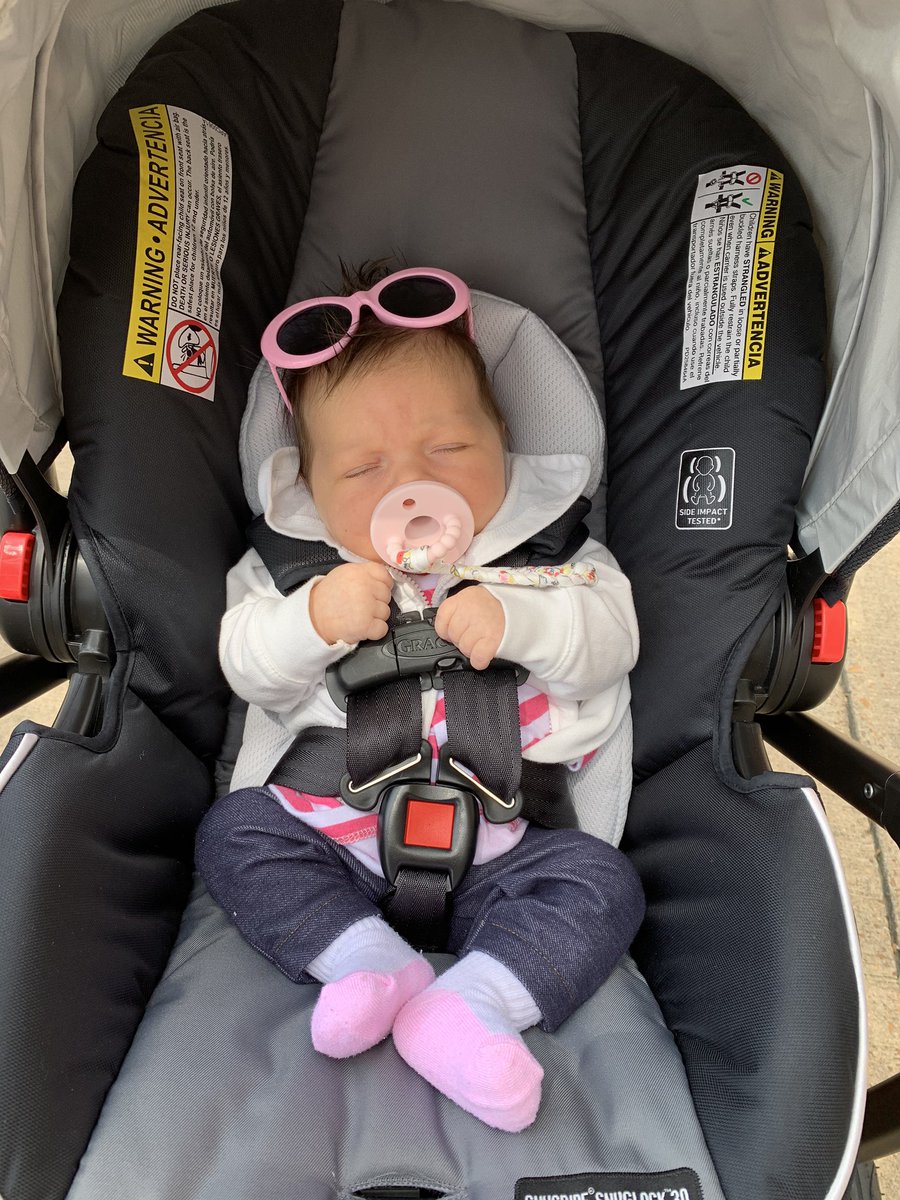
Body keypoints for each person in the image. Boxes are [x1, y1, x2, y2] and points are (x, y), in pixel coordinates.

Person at [196, 263, 645, 1132]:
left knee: (604, 885)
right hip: (332, 830)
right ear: (308, 483)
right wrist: (313, 622)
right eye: (362, 467)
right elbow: (245, 663)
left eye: (448, 450)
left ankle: (473, 1004)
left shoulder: (556, 559)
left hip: (516, 846)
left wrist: (522, 622)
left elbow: (611, 642)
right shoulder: (294, 571)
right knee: (235, 832)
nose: (410, 480)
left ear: (503, 442)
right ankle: (366, 961)